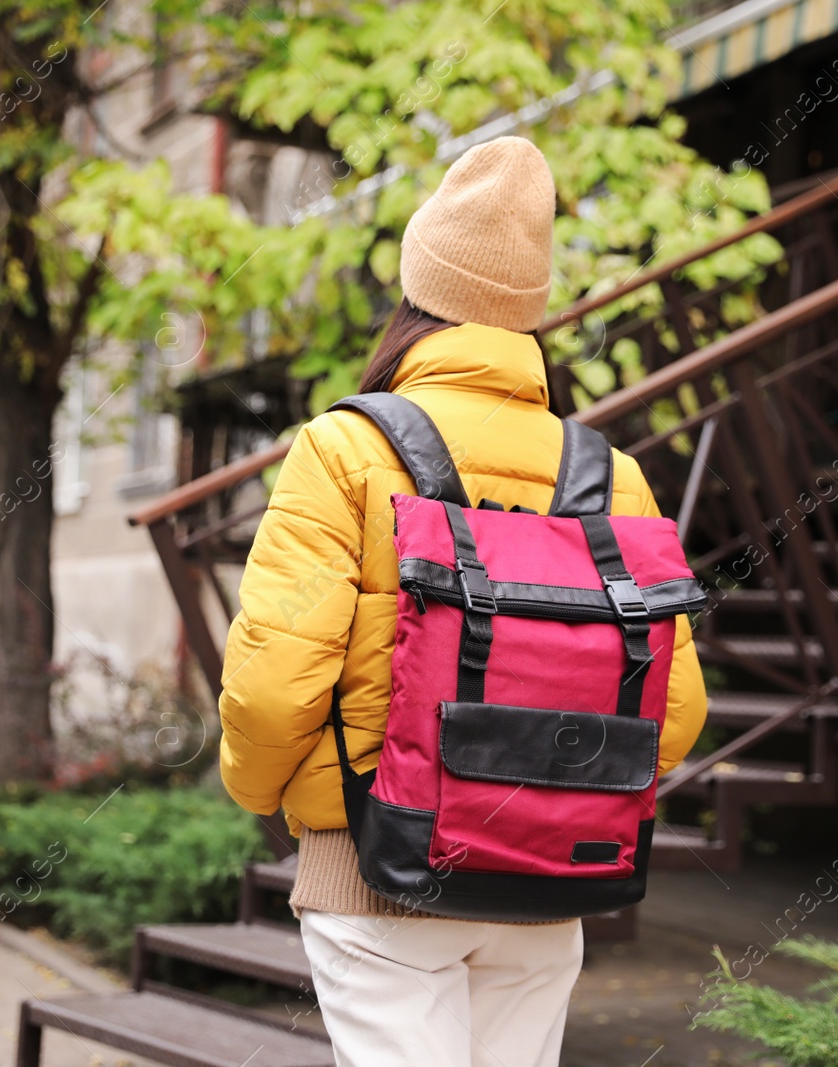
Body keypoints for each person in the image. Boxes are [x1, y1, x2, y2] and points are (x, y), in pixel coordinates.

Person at [217, 135, 708, 1067]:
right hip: (546, 878)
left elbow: (278, 682)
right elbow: (673, 716)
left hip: (375, 860)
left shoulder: (343, 450)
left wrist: (264, 794)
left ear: (415, 294)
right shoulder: (614, 478)